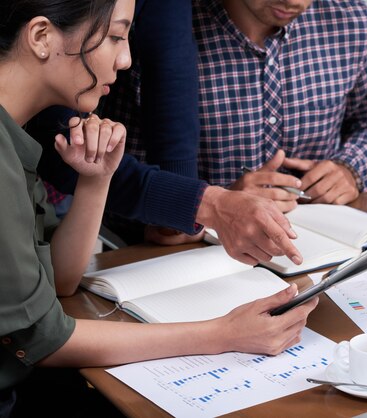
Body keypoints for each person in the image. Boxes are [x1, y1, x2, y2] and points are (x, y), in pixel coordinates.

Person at [0, 1, 318, 416]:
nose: (127, 57)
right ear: (41, 37)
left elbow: (58, 281)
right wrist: (224, 333)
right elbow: (42, 340)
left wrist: (96, 180)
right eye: (115, 36)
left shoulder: (17, 134)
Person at [32, 0, 367, 246]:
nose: (294, 1)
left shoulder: (348, 19)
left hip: (318, 247)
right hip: (180, 258)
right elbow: (92, 152)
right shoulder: (146, 32)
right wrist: (211, 206)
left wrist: (350, 169)